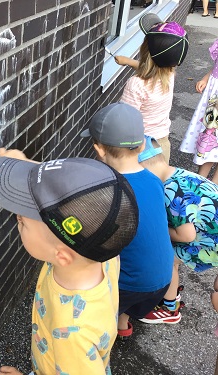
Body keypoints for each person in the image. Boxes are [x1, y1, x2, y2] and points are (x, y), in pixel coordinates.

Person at [0, 150, 139, 375]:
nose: (18, 217)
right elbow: (80, 199)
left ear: (61, 255)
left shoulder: (73, 333)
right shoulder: (98, 248)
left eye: (23, 221)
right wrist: (27, 168)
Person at [80, 103, 175, 338]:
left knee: (103, 311)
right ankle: (123, 326)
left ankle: (102, 344)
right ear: (142, 144)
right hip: (163, 280)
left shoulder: (110, 193)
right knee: (127, 301)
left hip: (130, 284)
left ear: (99, 150)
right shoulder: (154, 180)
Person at [135, 135, 218, 323]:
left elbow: (187, 235)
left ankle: (169, 308)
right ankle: (172, 292)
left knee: (168, 258)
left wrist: (160, 229)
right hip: (212, 230)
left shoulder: (170, 190)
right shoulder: (177, 174)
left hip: (212, 239)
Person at [114, 13, 189, 162]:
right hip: (161, 144)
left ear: (145, 49)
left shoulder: (136, 84)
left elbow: (125, 121)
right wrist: (129, 61)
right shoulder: (170, 74)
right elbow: (154, 70)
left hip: (139, 149)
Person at [180, 39, 218, 183]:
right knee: (210, 137)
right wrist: (205, 78)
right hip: (214, 97)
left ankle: (214, 185)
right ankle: (200, 181)